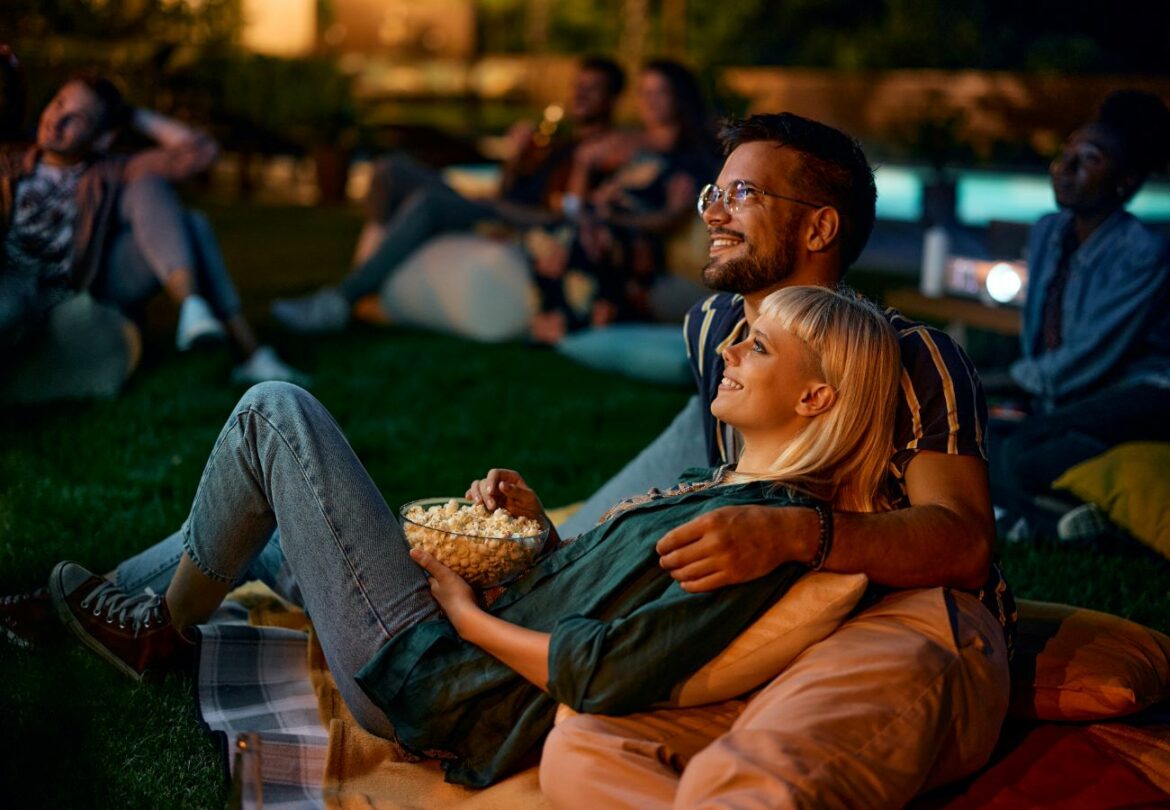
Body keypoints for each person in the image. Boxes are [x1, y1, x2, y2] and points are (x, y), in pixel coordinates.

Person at [28, 284, 896, 789]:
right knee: (267, 515)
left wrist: (460, 609)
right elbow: (607, 606)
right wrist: (538, 537)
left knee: (275, 416)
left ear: (816, 400)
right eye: (740, 335)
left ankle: (151, 630)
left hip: (441, 679)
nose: (732, 349)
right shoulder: (728, 493)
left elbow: (604, 668)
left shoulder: (752, 529)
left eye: (759, 347)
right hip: (455, 646)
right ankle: (93, 609)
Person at [539, 112, 1014, 809]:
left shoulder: (915, 356)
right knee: (582, 746)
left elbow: (966, 542)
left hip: (900, 620)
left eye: (744, 196)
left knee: (760, 776)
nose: (714, 214)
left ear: (820, 229)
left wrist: (798, 535)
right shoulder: (713, 328)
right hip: (766, 621)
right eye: (715, 193)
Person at [270, 56, 627, 335]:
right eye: (577, 86)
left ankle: (339, 302)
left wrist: (506, 205)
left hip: (514, 226)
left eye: (592, 89)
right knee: (390, 170)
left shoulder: (607, 152)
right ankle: (366, 272)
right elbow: (505, 189)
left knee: (430, 203)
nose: (579, 94)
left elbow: (569, 218)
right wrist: (515, 158)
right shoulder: (556, 144)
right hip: (492, 207)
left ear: (612, 98)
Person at [0, 73, 304, 387]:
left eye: (77, 118)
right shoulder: (12, 155)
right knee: (194, 225)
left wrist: (130, 114)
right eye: (58, 103)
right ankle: (246, 350)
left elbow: (201, 152)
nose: (57, 119)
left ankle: (193, 306)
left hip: (78, 291)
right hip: (16, 280)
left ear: (102, 137)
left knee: (152, 186)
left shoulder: (110, 169)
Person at [988, 90, 1170, 542]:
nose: (1065, 167)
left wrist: (979, 380)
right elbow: (1039, 340)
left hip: (1140, 393)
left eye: (1088, 158)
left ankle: (1044, 523)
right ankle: (1058, 519)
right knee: (976, 435)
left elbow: (1087, 358)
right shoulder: (1049, 231)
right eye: (1065, 153)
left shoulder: (1143, 251)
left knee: (1025, 446)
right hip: (1067, 398)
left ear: (1125, 183)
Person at [528, 58, 718, 343]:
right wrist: (584, 167)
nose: (649, 101)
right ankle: (561, 319)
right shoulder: (628, 146)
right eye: (644, 92)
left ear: (678, 98)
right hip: (598, 222)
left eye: (660, 92)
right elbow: (577, 204)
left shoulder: (690, 158)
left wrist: (608, 219)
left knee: (593, 239)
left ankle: (574, 325)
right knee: (546, 235)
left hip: (636, 238)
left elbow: (668, 219)